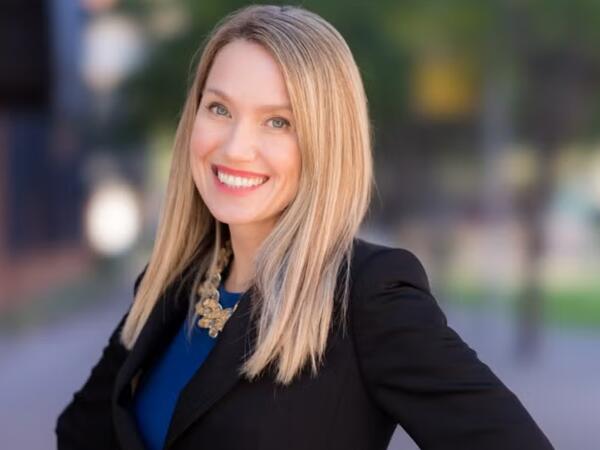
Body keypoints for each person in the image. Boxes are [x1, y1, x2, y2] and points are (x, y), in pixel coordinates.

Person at [55, 5, 553, 450]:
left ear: (325, 142)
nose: (234, 147)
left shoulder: (368, 297)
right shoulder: (174, 282)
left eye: (278, 122)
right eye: (219, 108)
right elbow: (80, 432)